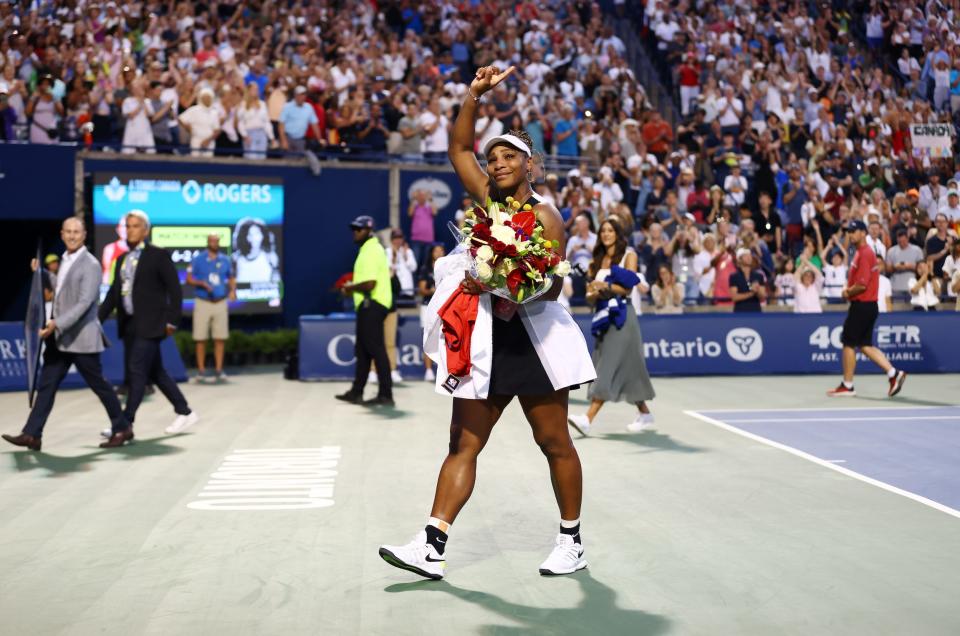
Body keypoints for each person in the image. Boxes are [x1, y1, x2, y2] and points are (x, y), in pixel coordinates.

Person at [378, 65, 595, 580]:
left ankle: (572, 541)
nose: (496, 164)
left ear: (530, 166)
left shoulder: (547, 218)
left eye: (508, 157)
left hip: (533, 340)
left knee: (554, 442)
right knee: (463, 442)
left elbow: (555, 285)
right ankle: (431, 544)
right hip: (486, 342)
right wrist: (472, 96)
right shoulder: (486, 202)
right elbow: (457, 150)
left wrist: (502, 281)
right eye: (493, 157)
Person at [2, 218, 130, 452]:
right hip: (61, 339)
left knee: (99, 386)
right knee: (47, 386)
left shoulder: (90, 264)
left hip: (81, 338)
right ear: (62, 234)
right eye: (68, 232)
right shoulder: (66, 259)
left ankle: (122, 428)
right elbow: (62, 289)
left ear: (84, 235)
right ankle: (32, 434)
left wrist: (56, 324)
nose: (72, 236)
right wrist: (40, 273)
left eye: (76, 232)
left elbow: (84, 302)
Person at [98, 210, 199, 443]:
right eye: (127, 226)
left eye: (135, 226)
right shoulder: (122, 259)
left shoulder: (158, 255)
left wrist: (173, 320)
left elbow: (175, 290)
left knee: (136, 371)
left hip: (151, 324)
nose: (130, 229)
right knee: (156, 372)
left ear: (145, 230)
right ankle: (185, 411)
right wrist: (96, 320)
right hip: (130, 324)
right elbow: (114, 294)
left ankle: (124, 424)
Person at [567, 218, 655, 436]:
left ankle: (587, 419)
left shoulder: (629, 255)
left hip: (623, 317)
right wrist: (593, 292)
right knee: (627, 369)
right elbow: (589, 296)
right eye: (603, 231)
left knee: (606, 367)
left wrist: (603, 286)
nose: (606, 234)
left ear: (618, 233)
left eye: (610, 230)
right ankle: (644, 413)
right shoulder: (595, 261)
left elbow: (627, 289)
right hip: (602, 318)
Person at [827, 220, 907, 398]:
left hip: (862, 304)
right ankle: (894, 374)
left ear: (863, 233)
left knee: (848, 341)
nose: (850, 234)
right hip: (868, 305)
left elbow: (862, 285)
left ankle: (847, 386)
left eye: (854, 231)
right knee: (864, 345)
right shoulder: (860, 253)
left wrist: (847, 292)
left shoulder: (865, 254)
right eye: (849, 231)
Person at [335, 215, 394, 406]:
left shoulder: (370, 250)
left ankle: (386, 395)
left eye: (358, 229)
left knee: (376, 350)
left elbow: (370, 284)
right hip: (369, 305)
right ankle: (357, 391)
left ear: (368, 230)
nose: (355, 232)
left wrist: (348, 288)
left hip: (373, 304)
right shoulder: (369, 249)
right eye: (354, 229)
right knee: (363, 351)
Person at [187, 234, 236, 382]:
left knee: (220, 338)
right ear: (208, 242)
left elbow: (231, 277)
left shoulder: (225, 259)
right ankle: (201, 371)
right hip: (203, 302)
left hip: (220, 302)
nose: (214, 243)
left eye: (216, 241)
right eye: (212, 241)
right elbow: (189, 279)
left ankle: (219, 369)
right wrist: (201, 283)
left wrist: (233, 290)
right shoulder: (198, 259)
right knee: (200, 338)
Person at [417, 243, 445, 382]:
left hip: (444, 307)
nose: (439, 253)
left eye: (441, 251)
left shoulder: (447, 268)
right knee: (428, 337)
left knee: (444, 337)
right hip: (427, 306)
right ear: (432, 253)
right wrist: (432, 291)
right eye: (436, 251)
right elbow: (421, 290)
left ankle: (443, 370)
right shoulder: (425, 269)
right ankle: (428, 370)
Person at [233, 218, 280, 283]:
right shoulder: (235, 259)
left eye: (257, 233)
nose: (253, 238)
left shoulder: (270, 257)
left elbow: (277, 282)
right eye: (250, 234)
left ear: (262, 235)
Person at [178, 88, 221, 157]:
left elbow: (217, 129)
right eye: (205, 97)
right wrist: (189, 129)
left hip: (209, 143)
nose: (207, 99)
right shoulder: (194, 109)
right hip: (196, 140)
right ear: (201, 98)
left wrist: (207, 141)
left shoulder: (214, 112)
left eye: (208, 97)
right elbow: (181, 119)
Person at [279, 85, 320, 153]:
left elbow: (314, 124)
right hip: (288, 138)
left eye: (303, 95)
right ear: (295, 95)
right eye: (300, 95)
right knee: (288, 161)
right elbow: (281, 125)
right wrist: (283, 140)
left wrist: (319, 139)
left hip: (301, 139)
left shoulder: (309, 107)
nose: (302, 97)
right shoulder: (287, 106)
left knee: (300, 161)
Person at [729, 248, 767, 312]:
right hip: (740, 312)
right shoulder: (734, 276)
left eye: (750, 256)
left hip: (756, 311)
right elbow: (734, 297)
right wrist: (752, 293)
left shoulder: (759, 276)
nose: (749, 258)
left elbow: (763, 297)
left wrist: (757, 290)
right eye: (745, 256)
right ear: (739, 259)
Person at [407, 190, 437, 268]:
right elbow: (410, 213)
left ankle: (425, 279)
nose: (421, 198)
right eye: (420, 196)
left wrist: (430, 200)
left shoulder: (429, 208)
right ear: (417, 197)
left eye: (423, 196)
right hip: (416, 240)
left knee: (427, 264)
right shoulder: (415, 207)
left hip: (428, 240)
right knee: (414, 264)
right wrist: (413, 199)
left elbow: (435, 212)